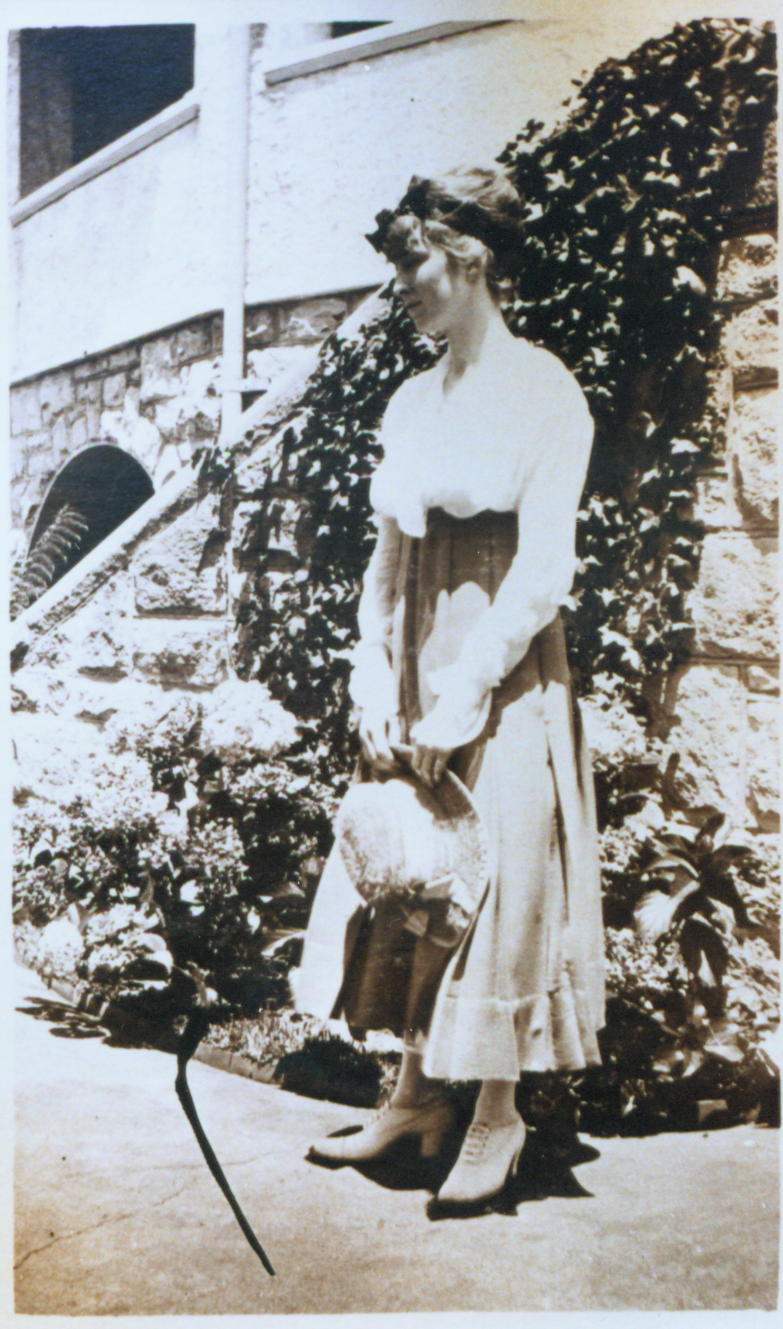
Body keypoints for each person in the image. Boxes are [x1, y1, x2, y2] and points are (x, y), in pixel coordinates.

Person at [292, 166, 606, 1207]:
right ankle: (417, 1098)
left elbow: (544, 567)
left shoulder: (544, 389)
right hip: (417, 646)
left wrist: (466, 691)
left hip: (500, 660)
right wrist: (373, 672)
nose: (403, 288)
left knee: (499, 868)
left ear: (468, 260)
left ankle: (498, 1114)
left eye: (414, 265)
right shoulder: (410, 400)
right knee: (414, 868)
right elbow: (388, 558)